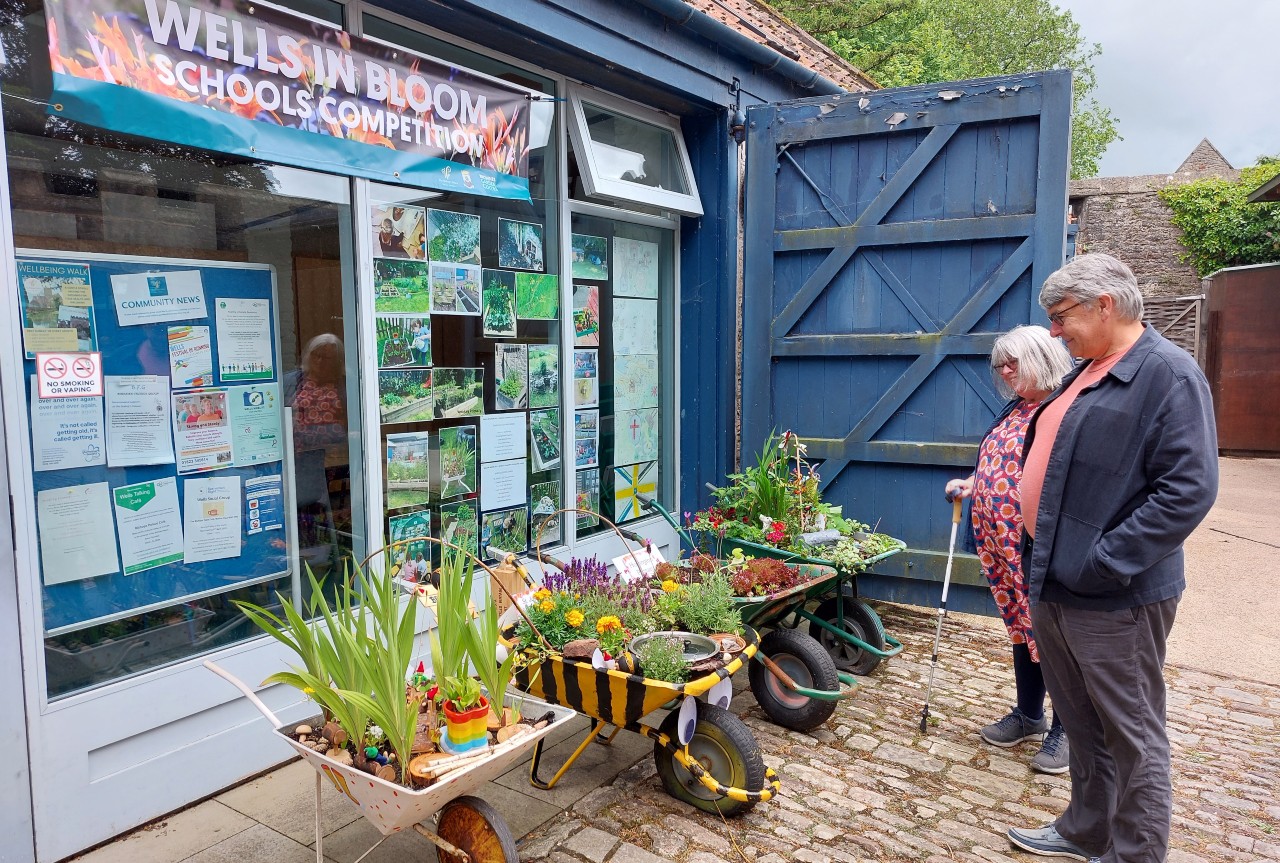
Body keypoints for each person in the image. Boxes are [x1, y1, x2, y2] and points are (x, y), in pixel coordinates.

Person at [1006, 254, 1218, 863]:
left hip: (1114, 593)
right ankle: (1086, 829)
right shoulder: (1088, 370)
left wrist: (1103, 561)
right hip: (1055, 580)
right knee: (1081, 720)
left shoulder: (1169, 374)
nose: (1052, 332)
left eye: (1060, 316)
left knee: (1132, 733)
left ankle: (1135, 853)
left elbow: (1188, 489)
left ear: (1105, 304)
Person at [944, 326, 1073, 773]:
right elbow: (1002, 466)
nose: (1004, 370)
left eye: (1013, 361)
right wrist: (972, 483)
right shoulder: (1016, 409)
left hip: (1040, 548)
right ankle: (1030, 714)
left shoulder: (1065, 407)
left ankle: (1067, 730)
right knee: (1021, 628)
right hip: (1002, 546)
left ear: (1042, 356)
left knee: (1053, 636)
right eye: (1001, 363)